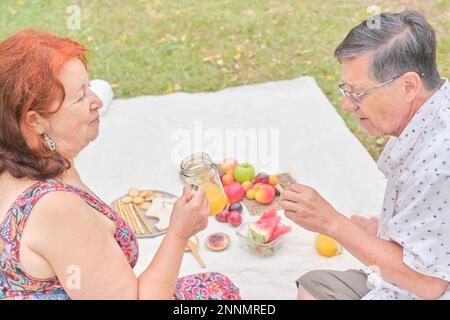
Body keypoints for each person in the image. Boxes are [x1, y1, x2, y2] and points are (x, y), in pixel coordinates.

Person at [0, 29, 241, 300]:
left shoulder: (26, 160)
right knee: (220, 292)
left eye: (89, 87)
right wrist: (178, 233)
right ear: (35, 121)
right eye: (81, 97)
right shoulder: (57, 209)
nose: (98, 101)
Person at [280, 10, 450, 300]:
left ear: (408, 86)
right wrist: (386, 230)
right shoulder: (435, 106)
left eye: (358, 93)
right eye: (346, 89)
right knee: (311, 288)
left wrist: (330, 221)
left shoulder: (438, 164)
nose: (347, 105)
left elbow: (429, 285)